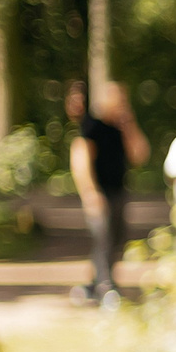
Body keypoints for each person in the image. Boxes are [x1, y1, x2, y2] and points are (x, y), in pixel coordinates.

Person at [67, 79, 148, 309]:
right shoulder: (92, 126)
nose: (121, 104)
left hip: (119, 191)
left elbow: (140, 155)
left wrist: (129, 125)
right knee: (104, 240)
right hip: (100, 194)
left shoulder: (120, 129)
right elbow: (81, 160)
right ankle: (106, 287)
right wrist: (90, 193)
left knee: (117, 238)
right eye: (118, 99)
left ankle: (94, 285)